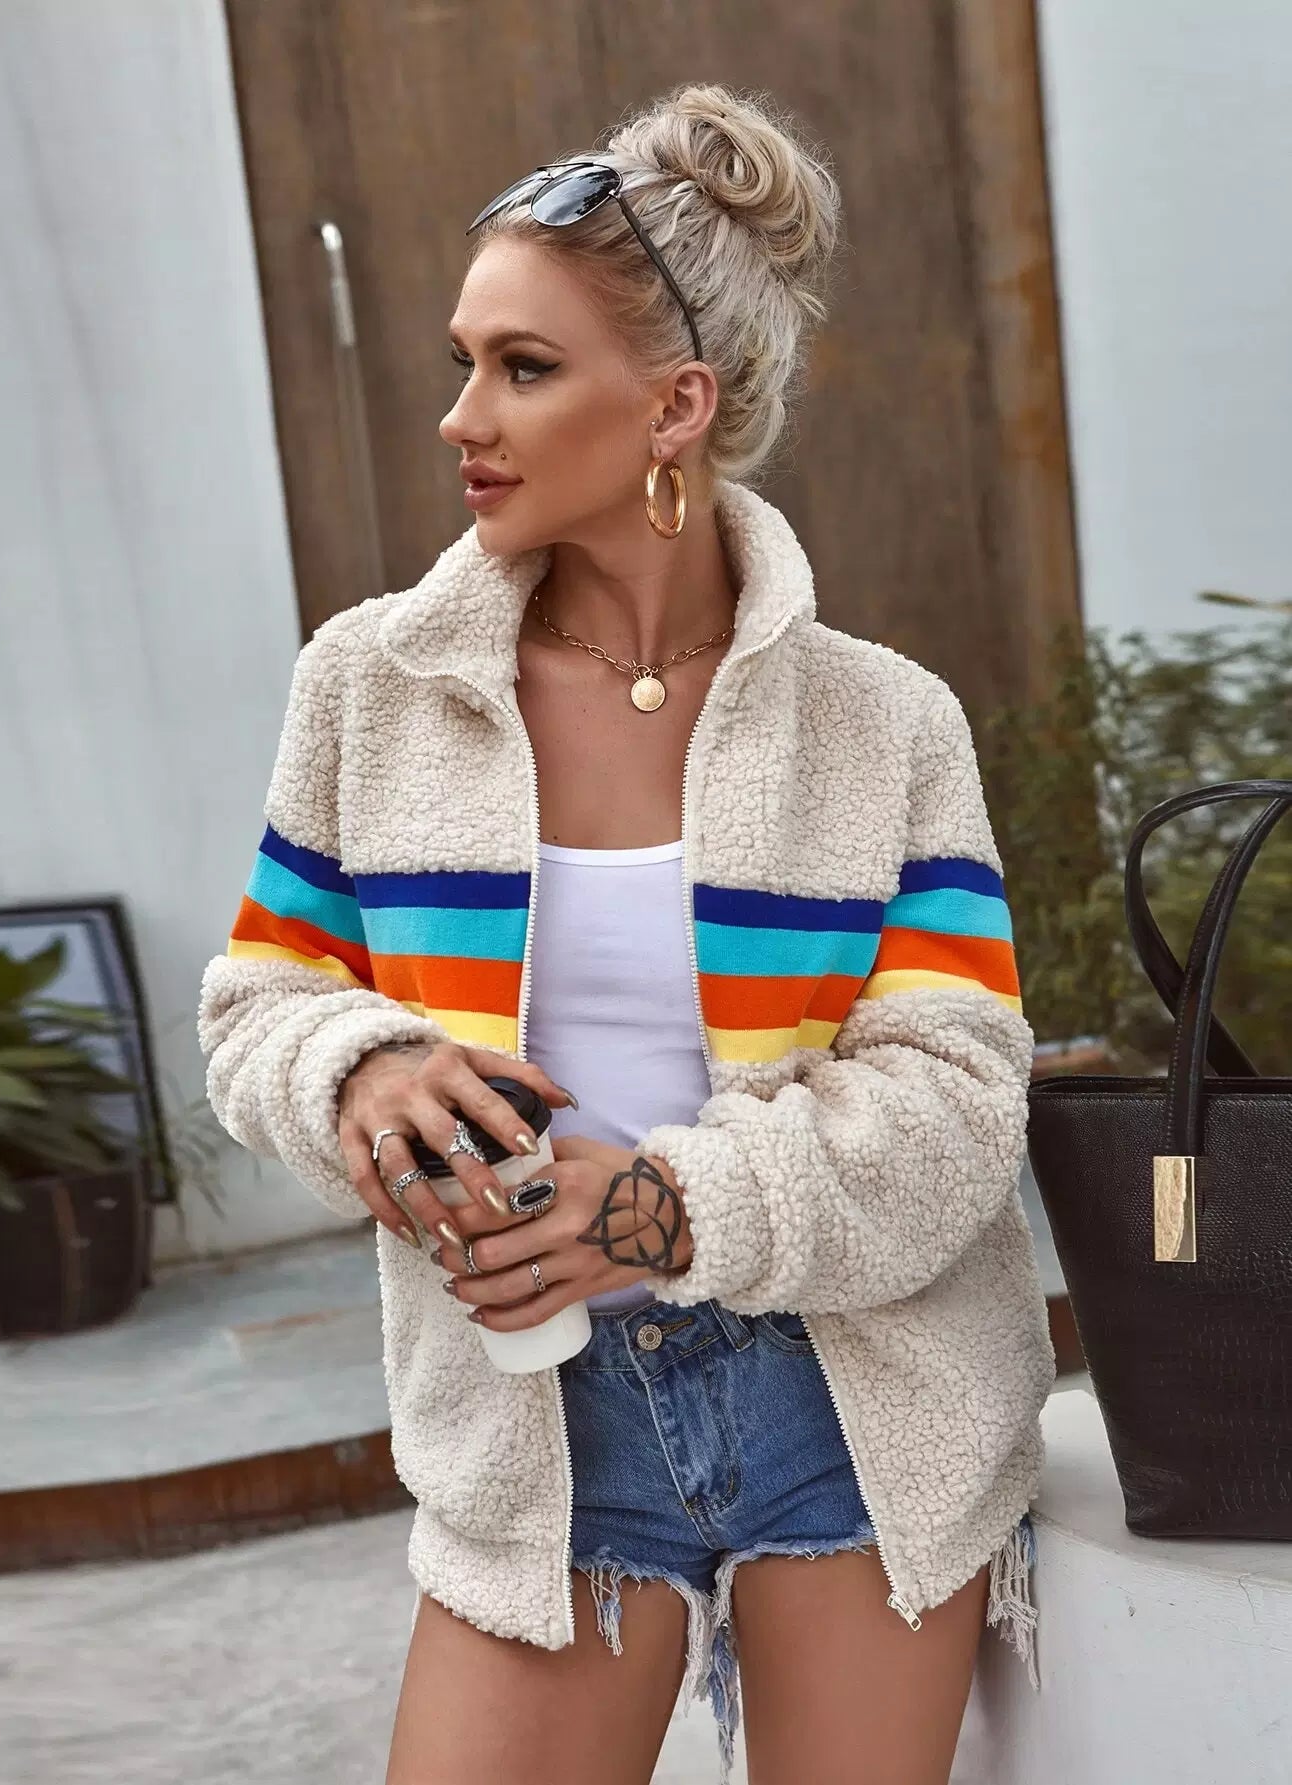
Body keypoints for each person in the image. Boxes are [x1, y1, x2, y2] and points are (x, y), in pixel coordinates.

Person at [198, 80, 1056, 1785]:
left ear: (677, 404)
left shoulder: (883, 722)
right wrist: (361, 1069)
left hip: (851, 1398)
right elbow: (261, 999)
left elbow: (961, 1104)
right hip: (534, 1413)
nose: (462, 415)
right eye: (465, 361)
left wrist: (663, 1205)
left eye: (523, 368)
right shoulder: (373, 688)